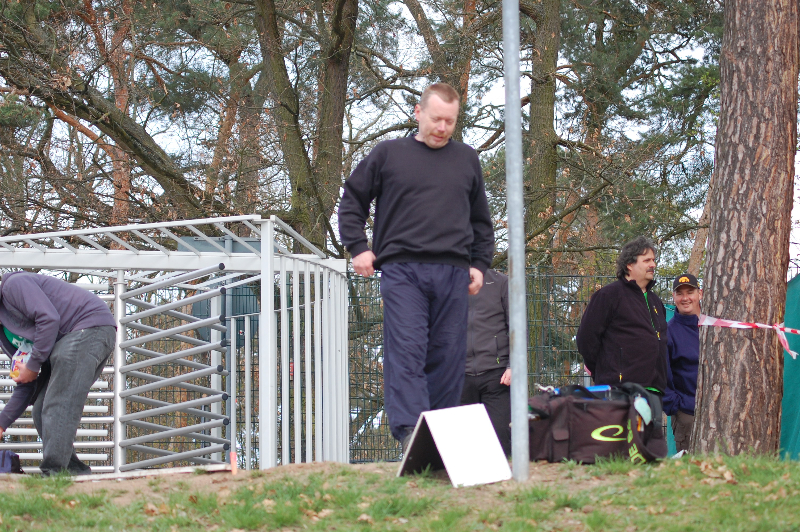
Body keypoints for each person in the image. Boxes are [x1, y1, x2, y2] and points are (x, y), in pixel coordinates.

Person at [338, 82, 494, 450]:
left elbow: (480, 221)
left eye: (450, 122)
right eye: (436, 119)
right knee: (407, 349)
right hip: (403, 270)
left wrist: (479, 264)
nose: (442, 127)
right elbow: (352, 200)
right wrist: (358, 247)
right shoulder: (388, 154)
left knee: (448, 355)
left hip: (453, 273)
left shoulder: (467, 159)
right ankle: (411, 431)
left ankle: (439, 435)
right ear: (418, 112)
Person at [0, 271, 116, 475]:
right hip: (67, 341)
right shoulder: (5, 335)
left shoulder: (14, 285)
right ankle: (73, 472)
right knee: (40, 410)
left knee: (58, 402)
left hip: (88, 327)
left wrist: (33, 364)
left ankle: (53, 473)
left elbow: (49, 318)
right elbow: (26, 383)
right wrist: (2, 424)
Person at [575, 236, 668, 394]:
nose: (653, 265)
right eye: (646, 260)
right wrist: (605, 372)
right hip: (619, 391)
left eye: (653, 260)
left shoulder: (656, 302)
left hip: (654, 391)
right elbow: (586, 340)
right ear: (629, 265)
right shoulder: (609, 295)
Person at [461, 268, 511, 455]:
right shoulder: (445, 282)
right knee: (464, 446)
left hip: (497, 376)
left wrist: (513, 366)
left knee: (501, 441)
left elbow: (517, 326)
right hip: (458, 377)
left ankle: (506, 473)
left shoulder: (501, 282)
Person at [663, 273, 702, 453]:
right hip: (687, 415)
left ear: (700, 294)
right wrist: (677, 407)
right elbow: (661, 373)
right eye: (680, 293)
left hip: (721, 413)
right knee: (691, 468)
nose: (685, 298)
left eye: (690, 292)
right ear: (674, 297)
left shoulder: (715, 324)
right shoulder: (668, 332)